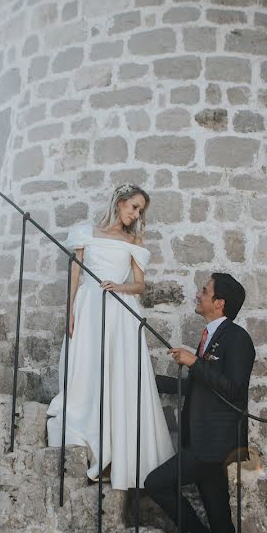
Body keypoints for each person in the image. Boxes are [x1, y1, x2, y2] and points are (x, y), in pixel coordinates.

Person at [46, 184, 174, 490]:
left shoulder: (133, 242)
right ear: (120, 203)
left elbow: (140, 285)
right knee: (85, 366)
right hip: (88, 306)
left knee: (117, 374)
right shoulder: (85, 233)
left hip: (118, 310)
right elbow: (75, 273)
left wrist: (119, 287)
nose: (136, 214)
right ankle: (90, 436)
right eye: (134, 206)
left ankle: (119, 456)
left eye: (141, 210)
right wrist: (69, 312)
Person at [144, 273, 254, 533]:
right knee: (224, 525)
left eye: (204, 291)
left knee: (156, 483)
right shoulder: (209, 338)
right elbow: (192, 388)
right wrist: (144, 379)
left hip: (214, 447)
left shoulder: (237, 339)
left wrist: (194, 362)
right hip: (203, 445)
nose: (198, 295)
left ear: (218, 303)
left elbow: (235, 390)